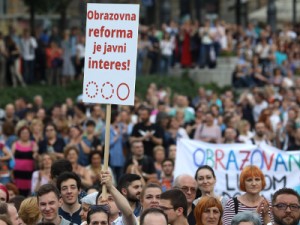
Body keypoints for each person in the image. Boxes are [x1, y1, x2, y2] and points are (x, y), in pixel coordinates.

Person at [12, 125, 38, 196]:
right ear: (19, 134)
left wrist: (35, 153)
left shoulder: (33, 144)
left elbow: (36, 156)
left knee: (28, 194)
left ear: (29, 134)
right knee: (18, 192)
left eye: (27, 133)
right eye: (23, 133)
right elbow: (11, 158)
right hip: (17, 174)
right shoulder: (15, 144)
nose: (25, 135)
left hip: (29, 174)